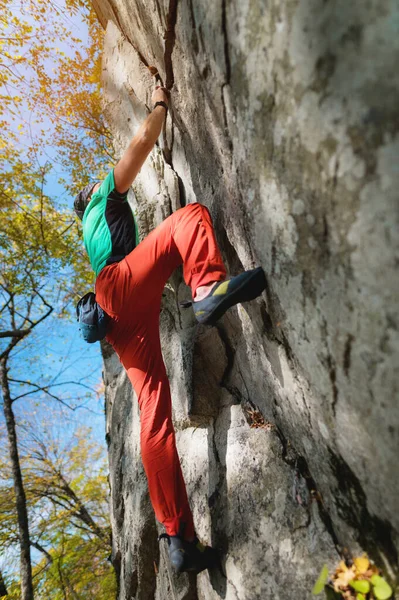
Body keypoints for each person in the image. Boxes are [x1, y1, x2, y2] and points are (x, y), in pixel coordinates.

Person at [74, 86, 266, 574]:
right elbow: (141, 142)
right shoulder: (104, 197)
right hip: (120, 286)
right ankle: (207, 288)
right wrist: (159, 101)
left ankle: (176, 535)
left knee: (154, 419)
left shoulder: (89, 231)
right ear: (93, 194)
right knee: (190, 218)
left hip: (117, 322)